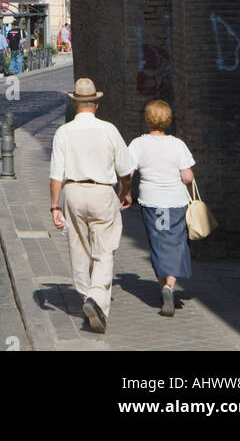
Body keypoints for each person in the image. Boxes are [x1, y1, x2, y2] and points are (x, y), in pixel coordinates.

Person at [49, 77, 134, 333]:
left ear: (75, 104)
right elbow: (125, 170)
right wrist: (126, 192)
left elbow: (56, 174)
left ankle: (86, 297)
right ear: (96, 103)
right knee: (104, 250)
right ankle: (97, 299)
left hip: (73, 192)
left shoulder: (63, 132)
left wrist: (54, 206)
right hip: (102, 191)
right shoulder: (109, 130)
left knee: (79, 247)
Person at [127, 99, 195, 317]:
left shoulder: (138, 144)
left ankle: (161, 285)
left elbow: (127, 173)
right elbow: (187, 176)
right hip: (175, 201)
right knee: (175, 242)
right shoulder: (177, 144)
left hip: (151, 201)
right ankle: (170, 286)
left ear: (147, 119)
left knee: (157, 242)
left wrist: (125, 192)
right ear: (168, 120)